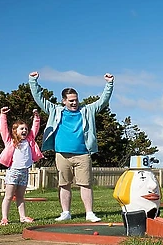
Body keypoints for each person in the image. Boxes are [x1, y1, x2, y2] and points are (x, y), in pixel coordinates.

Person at [28, 71, 114, 222]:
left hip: (83, 154)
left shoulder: (87, 110)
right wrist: (33, 81)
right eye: (71, 101)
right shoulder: (55, 110)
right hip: (62, 154)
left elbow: (103, 101)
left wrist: (109, 84)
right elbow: (39, 98)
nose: (74, 103)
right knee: (64, 184)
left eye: (76, 100)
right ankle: (65, 212)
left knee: (86, 184)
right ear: (64, 101)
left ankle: (89, 213)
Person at [0, 107, 44, 225]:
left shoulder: (30, 140)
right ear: (15, 131)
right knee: (8, 196)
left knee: (20, 197)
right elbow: (3, 129)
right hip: (13, 172)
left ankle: (22, 217)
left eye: (26, 129)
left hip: (24, 172)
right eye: (21, 129)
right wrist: (3, 115)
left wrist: (36, 117)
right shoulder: (10, 141)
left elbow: (35, 128)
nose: (24, 131)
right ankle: (4, 218)